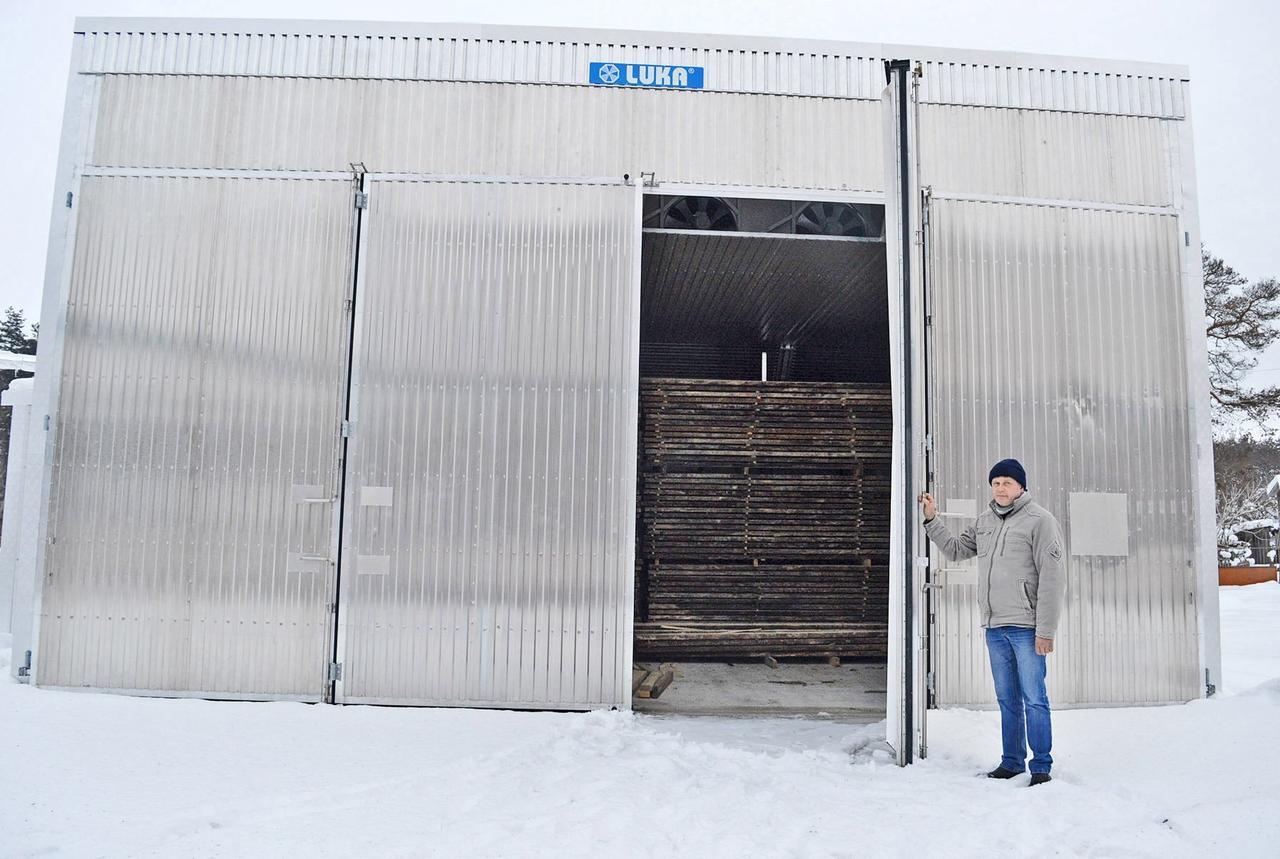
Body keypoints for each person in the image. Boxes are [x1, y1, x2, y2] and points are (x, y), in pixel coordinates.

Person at [917, 458, 1067, 786]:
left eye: (1007, 483)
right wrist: (931, 519)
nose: (1000, 488)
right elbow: (956, 550)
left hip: (1027, 627)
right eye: (996, 483)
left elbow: (1053, 579)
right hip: (995, 627)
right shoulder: (984, 521)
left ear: (1021, 486)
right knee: (1007, 699)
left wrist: (1046, 631)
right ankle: (1011, 762)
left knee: (1034, 698)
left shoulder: (1040, 521)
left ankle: (1041, 766)